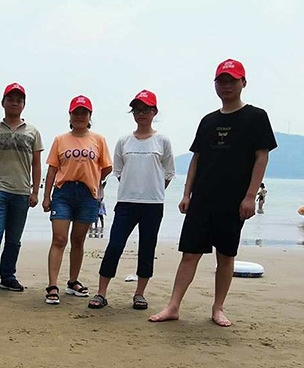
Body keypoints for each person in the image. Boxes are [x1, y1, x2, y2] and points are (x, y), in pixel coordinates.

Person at [150, 59, 277, 327]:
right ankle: (173, 306)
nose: (226, 85)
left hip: (233, 200)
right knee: (190, 253)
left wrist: (250, 196)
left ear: (243, 82)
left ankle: (218, 308)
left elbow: (261, 157)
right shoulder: (208, 121)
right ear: (215, 85)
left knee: (226, 255)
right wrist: (187, 194)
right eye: (221, 81)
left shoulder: (256, 117)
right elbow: (196, 159)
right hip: (202, 199)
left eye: (232, 80)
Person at [88, 90, 175, 310]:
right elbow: (118, 171)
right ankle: (101, 292)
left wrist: (152, 190)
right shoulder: (124, 141)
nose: (141, 113)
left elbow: (168, 173)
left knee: (147, 248)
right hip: (126, 203)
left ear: (154, 112)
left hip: (153, 205)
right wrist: (133, 188)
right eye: (137, 110)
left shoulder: (162, 141)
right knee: (115, 245)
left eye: (145, 109)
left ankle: (140, 293)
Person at [0, 83, 43, 298]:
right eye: (10, 99)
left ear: (24, 105)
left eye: (18, 100)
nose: (14, 103)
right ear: (3, 103)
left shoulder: (32, 132)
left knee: (14, 239)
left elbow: (37, 163)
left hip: (21, 191)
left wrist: (35, 191)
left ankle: (7, 276)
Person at [43, 95, 112, 305]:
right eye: (76, 112)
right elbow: (52, 169)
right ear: (70, 115)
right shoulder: (60, 140)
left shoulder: (98, 139)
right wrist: (46, 197)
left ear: (90, 116)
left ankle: (73, 282)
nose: (80, 116)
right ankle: (52, 285)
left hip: (87, 195)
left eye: (84, 112)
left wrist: (94, 182)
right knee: (59, 239)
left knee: (78, 240)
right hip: (63, 192)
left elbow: (106, 167)